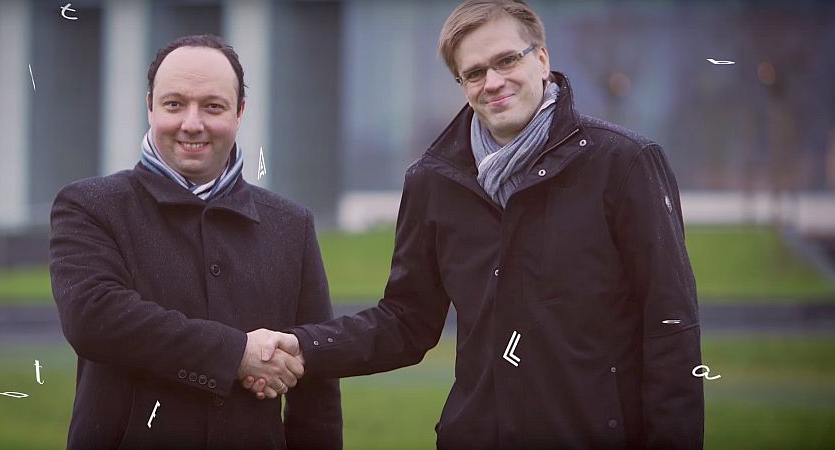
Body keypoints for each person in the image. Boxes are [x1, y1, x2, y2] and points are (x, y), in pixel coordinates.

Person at [244, 1, 704, 448]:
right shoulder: (432, 181)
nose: (493, 82)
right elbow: (407, 322)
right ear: (461, 82)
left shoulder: (624, 164)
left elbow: (670, 324)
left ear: (542, 59)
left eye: (507, 60)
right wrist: (304, 347)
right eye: (475, 72)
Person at [49, 34, 341, 450]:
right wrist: (236, 354)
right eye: (174, 104)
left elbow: (316, 385)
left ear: (240, 112)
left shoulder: (291, 225)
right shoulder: (89, 206)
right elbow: (94, 319)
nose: (191, 123)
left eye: (212, 106)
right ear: (150, 106)